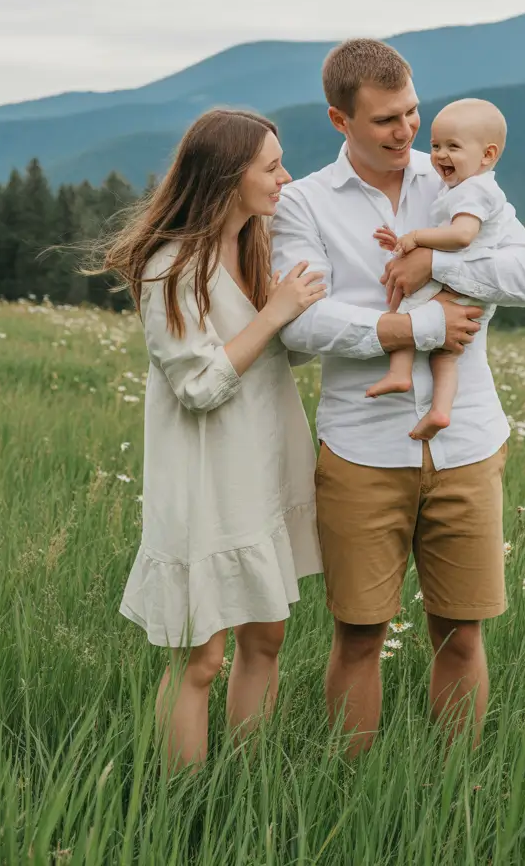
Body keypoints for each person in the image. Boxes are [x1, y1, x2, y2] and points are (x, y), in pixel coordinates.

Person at [270, 40, 525, 754]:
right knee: (359, 634)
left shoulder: (458, 179)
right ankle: (350, 790)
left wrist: (441, 262)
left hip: (468, 441)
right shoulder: (304, 203)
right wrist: (415, 326)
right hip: (363, 448)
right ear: (340, 120)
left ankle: (457, 792)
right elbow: (301, 323)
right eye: (385, 121)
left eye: (412, 113)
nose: (407, 133)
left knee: (462, 634)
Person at [93, 108, 325, 773]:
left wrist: (303, 314)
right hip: (205, 480)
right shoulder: (171, 266)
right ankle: (183, 802)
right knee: (201, 658)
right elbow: (198, 384)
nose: (286, 177)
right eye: (271, 166)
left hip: (262, 467)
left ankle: (247, 784)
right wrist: (277, 313)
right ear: (229, 176)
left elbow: (285, 353)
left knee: (268, 636)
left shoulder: (256, 246)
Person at [367, 97, 513, 442]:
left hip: (459, 285)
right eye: (435, 146)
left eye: (453, 147)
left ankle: (399, 372)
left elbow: (461, 236)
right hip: (470, 292)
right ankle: (441, 411)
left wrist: (416, 238)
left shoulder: (473, 191)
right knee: (445, 355)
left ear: (487, 155)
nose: (440, 155)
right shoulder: (468, 187)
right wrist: (404, 243)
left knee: (403, 313)